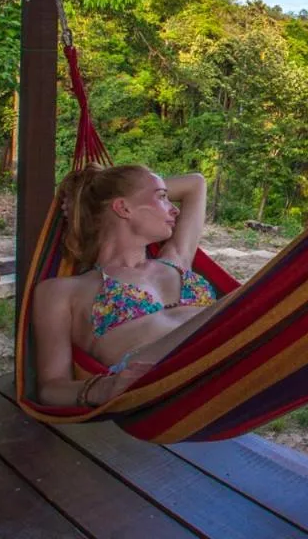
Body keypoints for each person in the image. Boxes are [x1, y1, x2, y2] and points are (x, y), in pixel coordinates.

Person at [32, 164, 228, 408]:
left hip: (226, 350)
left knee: (260, 296)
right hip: (162, 373)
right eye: (163, 198)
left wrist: (92, 192)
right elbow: (51, 388)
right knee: (245, 299)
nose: (175, 209)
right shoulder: (61, 291)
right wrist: (103, 389)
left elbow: (196, 183)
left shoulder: (177, 259)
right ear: (123, 208)